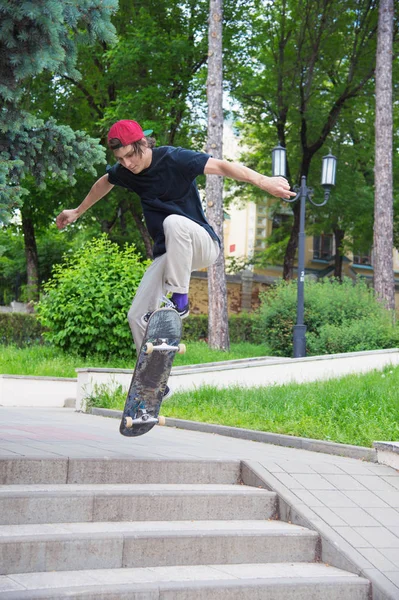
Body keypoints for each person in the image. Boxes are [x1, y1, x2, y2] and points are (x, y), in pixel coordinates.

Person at [56, 119, 295, 397]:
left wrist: (263, 181)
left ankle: (180, 300)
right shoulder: (125, 171)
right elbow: (104, 183)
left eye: (131, 156)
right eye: (121, 159)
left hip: (203, 244)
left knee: (173, 223)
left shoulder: (175, 158)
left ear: (143, 143)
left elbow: (223, 166)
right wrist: (77, 211)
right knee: (136, 315)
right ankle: (155, 380)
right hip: (171, 255)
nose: (128, 164)